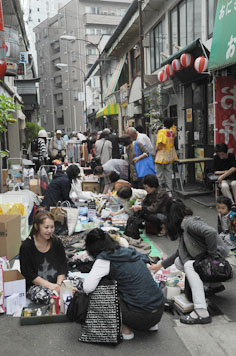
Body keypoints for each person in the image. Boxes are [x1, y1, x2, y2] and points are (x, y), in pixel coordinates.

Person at [149, 199, 236, 325]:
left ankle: (201, 312)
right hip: (220, 266)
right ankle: (214, 286)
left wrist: (212, 257)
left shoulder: (190, 223)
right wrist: (160, 266)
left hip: (227, 266)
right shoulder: (184, 227)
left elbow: (210, 232)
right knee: (180, 262)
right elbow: (179, 253)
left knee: (189, 265)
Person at [83, 228, 165, 340]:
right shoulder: (129, 252)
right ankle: (150, 325)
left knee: (102, 288)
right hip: (159, 311)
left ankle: (125, 330)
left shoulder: (104, 259)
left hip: (138, 317)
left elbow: (87, 288)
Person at [19, 210, 67, 304]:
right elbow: (29, 274)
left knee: (80, 286)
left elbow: (63, 266)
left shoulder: (56, 242)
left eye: (52, 227)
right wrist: (52, 287)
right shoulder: (27, 247)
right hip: (37, 285)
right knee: (46, 297)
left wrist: (58, 284)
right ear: (37, 227)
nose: (50, 231)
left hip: (57, 282)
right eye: (46, 227)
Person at [155, 118, 178, 192]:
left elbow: (160, 143)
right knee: (168, 174)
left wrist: (156, 150)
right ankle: (169, 190)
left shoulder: (161, 132)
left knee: (159, 174)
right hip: (170, 155)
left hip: (161, 155)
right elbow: (173, 127)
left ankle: (159, 190)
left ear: (164, 124)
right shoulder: (173, 132)